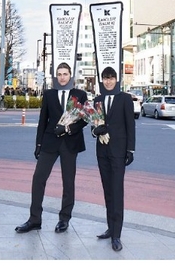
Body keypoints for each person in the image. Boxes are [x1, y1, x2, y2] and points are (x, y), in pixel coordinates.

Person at [15, 62, 88, 235]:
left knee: (68, 182)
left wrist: (68, 128)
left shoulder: (80, 94)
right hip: (50, 142)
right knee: (38, 178)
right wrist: (38, 144)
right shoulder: (49, 94)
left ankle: (64, 219)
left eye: (65, 74)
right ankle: (34, 219)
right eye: (59, 74)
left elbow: (85, 119)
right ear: (56, 76)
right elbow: (43, 120)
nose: (62, 77)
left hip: (70, 143)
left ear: (70, 76)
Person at [92, 66, 136, 252]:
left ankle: (117, 235)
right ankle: (110, 227)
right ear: (102, 80)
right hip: (102, 152)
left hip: (118, 151)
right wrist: (96, 131)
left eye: (111, 78)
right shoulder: (97, 100)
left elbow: (130, 125)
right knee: (108, 191)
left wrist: (130, 150)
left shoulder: (124, 98)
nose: (108, 81)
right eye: (105, 78)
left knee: (117, 191)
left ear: (116, 80)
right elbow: (94, 125)